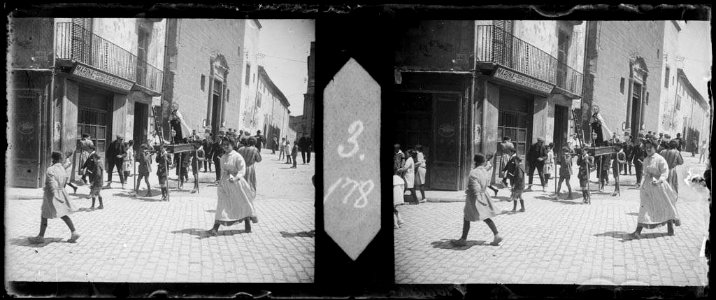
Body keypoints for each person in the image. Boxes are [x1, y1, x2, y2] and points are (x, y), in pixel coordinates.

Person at [627, 139, 681, 239]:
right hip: (648, 187)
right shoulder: (646, 159)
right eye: (646, 147)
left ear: (655, 148)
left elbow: (665, 173)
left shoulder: (660, 159)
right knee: (644, 207)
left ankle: (670, 228)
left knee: (665, 206)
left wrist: (659, 180)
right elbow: (645, 172)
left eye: (650, 147)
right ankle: (637, 232)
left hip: (659, 187)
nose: (648, 149)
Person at [207, 136, 257, 235]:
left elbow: (242, 170)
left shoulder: (237, 156)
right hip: (225, 184)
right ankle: (215, 228)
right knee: (222, 204)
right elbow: (222, 170)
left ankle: (247, 223)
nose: (225, 146)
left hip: (236, 183)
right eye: (223, 145)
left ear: (232, 145)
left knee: (242, 203)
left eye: (227, 145)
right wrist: (221, 181)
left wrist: (236, 177)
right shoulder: (223, 157)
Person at [28, 152, 80, 244]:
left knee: (44, 214)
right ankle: (74, 232)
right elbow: (65, 181)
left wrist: (55, 194)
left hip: (51, 195)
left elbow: (52, 183)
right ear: (60, 159)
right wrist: (60, 191)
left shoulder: (50, 169)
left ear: (53, 159)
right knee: (63, 213)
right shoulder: (62, 169)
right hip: (61, 192)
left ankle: (40, 237)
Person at [452, 153, 503, 247]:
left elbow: (475, 188)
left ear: (475, 161)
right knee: (486, 216)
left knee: (466, 217)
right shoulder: (485, 171)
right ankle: (497, 235)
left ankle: (463, 239)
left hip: (475, 198)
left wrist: (478, 198)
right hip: (484, 195)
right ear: (483, 162)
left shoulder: (474, 172)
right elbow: (486, 183)